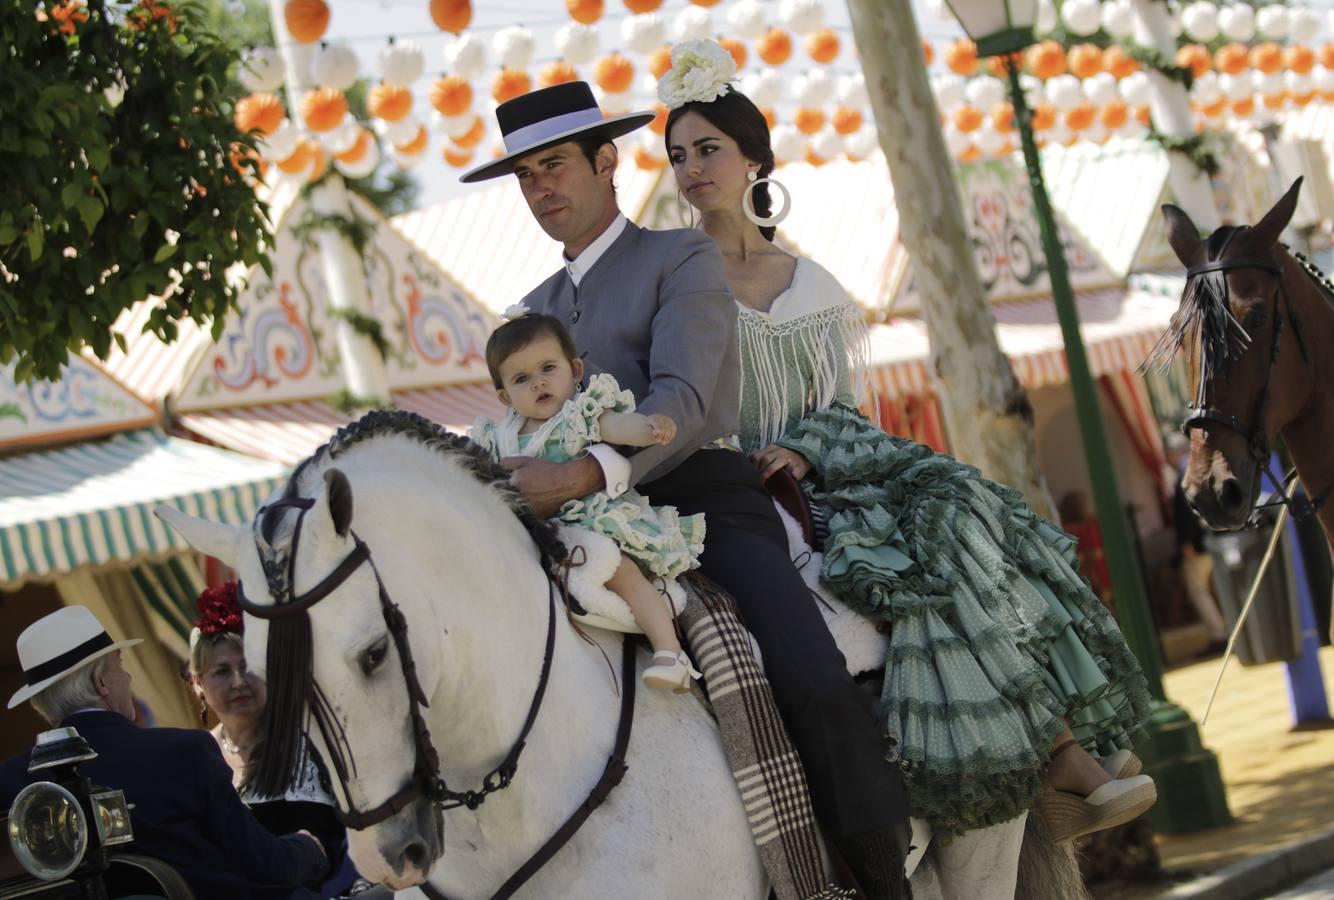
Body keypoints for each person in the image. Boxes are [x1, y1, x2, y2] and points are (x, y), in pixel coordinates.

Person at [658, 39, 1157, 850]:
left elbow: (848, 406)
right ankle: (1053, 757)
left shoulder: (810, 281)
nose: (691, 169)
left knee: (963, 507)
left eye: (708, 149)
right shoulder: (678, 276)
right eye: (678, 155)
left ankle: (1062, 747)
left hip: (823, 472)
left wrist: (809, 448)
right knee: (912, 557)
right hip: (738, 491)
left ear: (755, 159)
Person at [461, 78, 912, 894]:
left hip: (704, 499)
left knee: (809, 670)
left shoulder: (681, 255)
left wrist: (578, 474)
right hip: (575, 523)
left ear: (608, 163)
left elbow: (688, 399)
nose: (541, 188)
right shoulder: (526, 312)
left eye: (555, 165)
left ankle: (883, 878)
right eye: (525, 175)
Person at [0, 605, 330, 899]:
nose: (128, 677)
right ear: (101, 684)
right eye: (119, 665)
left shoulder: (10, 784)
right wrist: (309, 848)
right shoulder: (184, 752)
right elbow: (265, 865)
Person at [469, 310, 705, 691]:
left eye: (548, 368)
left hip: (589, 518)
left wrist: (648, 428)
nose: (539, 383)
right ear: (504, 395)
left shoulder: (578, 415)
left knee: (617, 568)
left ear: (575, 370)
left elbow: (617, 427)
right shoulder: (495, 437)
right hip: (531, 532)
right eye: (522, 379)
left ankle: (670, 652)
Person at [187, 583, 376, 898]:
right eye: (222, 671)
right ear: (198, 684)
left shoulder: (311, 744)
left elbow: (342, 846)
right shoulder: (196, 758)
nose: (238, 682)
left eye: (248, 666)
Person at [1164, 432, 1229, 649]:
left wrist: (1186, 542)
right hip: (1214, 537)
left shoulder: (1185, 471)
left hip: (1198, 543)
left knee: (1197, 589)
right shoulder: (1204, 466)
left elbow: (1186, 510)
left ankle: (1219, 634)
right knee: (1218, 585)